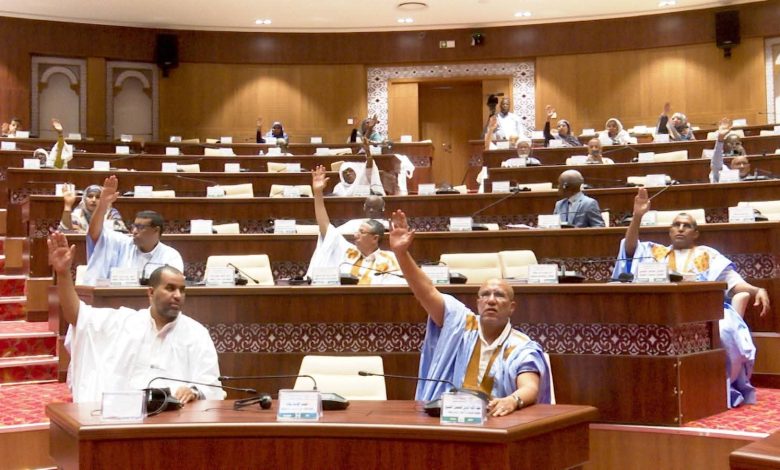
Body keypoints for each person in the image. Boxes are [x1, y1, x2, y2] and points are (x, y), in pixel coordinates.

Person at [613, 188, 771, 407]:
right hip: (663, 311)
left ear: (695, 233)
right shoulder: (656, 252)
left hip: (705, 311)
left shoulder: (708, 254)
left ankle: (719, 386)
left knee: (725, 330)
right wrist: (638, 216)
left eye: (686, 225)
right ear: (669, 231)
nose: (680, 229)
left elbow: (733, 282)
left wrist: (757, 290)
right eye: (676, 225)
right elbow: (630, 249)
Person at [387, 209, 551, 416]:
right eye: (485, 295)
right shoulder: (460, 323)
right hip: (448, 419)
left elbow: (530, 387)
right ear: (478, 302)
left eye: (499, 295)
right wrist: (401, 254)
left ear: (512, 307)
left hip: (498, 421)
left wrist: (513, 400)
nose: (491, 300)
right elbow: (426, 291)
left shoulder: (521, 346)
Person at [48, 231, 224, 404]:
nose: (178, 295)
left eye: (182, 290)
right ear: (151, 293)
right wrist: (63, 274)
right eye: (170, 288)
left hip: (179, 416)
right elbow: (77, 315)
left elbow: (212, 386)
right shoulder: (125, 322)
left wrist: (194, 391)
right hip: (128, 414)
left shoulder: (196, 333)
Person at [305, 165, 403, 285]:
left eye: (362, 232)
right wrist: (318, 193)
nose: (356, 235)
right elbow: (324, 225)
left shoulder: (389, 259)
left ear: (375, 238)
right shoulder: (347, 251)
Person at [83, 175, 183, 286]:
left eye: (140, 227)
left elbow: (174, 287)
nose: (134, 231)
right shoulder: (122, 244)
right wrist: (103, 204)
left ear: (155, 230)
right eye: (134, 226)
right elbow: (94, 233)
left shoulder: (170, 256)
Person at [60, 184, 127, 233]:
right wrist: (67, 205)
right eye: (90, 196)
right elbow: (66, 230)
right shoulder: (78, 213)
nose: (93, 200)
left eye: (98, 197)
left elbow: (120, 232)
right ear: (84, 199)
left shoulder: (111, 213)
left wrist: (83, 231)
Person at [710, 118, 752, 182]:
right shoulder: (725, 174)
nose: (742, 166)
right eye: (738, 164)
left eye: (744, 163)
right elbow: (716, 164)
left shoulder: (756, 180)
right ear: (732, 166)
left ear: (749, 167)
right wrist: (720, 139)